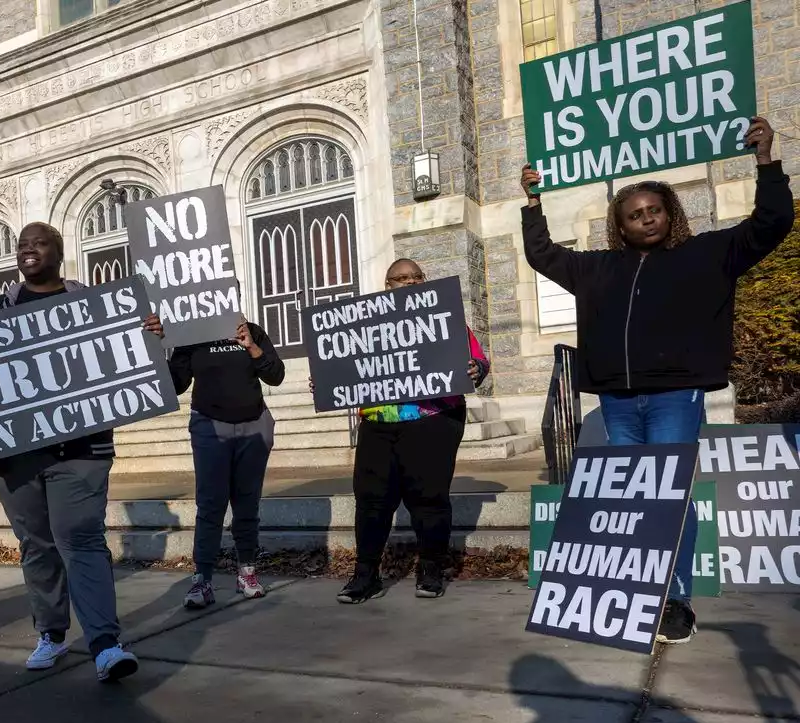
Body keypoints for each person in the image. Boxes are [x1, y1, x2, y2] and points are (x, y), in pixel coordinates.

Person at [521, 116, 793, 645]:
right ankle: (634, 593)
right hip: (618, 401)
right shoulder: (597, 268)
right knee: (629, 502)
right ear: (619, 226)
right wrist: (533, 203)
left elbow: (771, 223)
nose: (646, 219)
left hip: (674, 395)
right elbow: (543, 255)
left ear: (670, 213)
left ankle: (676, 600)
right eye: (634, 215)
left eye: (654, 210)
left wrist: (766, 161)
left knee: (670, 497)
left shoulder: (709, 254)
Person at [0, 222, 163, 682]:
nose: (27, 251)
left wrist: (147, 338)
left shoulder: (94, 306)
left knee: (81, 540)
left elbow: (135, 367)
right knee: (37, 547)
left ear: (58, 252)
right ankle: (52, 634)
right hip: (18, 455)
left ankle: (105, 644)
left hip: (80, 451)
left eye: (37, 244)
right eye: (21, 246)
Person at [334, 259, 489, 604]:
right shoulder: (365, 323)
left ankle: (431, 568)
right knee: (371, 501)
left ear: (425, 281)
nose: (409, 282)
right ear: (387, 286)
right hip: (379, 423)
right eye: (400, 279)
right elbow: (344, 364)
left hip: (431, 418)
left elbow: (479, 359)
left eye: (416, 277)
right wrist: (330, 380)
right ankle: (365, 575)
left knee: (429, 499)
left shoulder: (445, 318)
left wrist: (476, 367)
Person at [168, 312, 285, 608]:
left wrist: (252, 347)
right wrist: (158, 345)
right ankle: (202, 580)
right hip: (210, 426)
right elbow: (175, 384)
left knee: (247, 503)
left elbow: (277, 375)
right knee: (210, 503)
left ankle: (247, 572)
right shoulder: (191, 338)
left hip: (253, 424)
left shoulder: (253, 331)